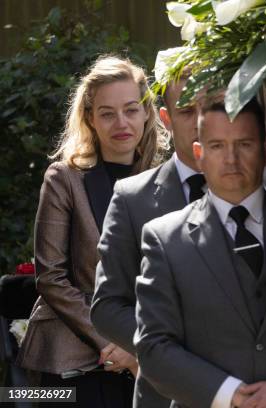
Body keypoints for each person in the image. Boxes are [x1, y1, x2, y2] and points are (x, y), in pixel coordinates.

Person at [134, 98, 266, 408]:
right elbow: (153, 347)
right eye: (217, 146)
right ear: (200, 154)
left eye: (244, 144)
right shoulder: (164, 239)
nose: (231, 159)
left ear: (265, 150)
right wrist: (227, 393)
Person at [16, 55, 168, 407]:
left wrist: (140, 348)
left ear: (147, 113)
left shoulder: (166, 182)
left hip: (148, 357)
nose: (121, 123)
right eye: (107, 113)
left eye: (131, 109)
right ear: (89, 119)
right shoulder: (64, 179)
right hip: (76, 356)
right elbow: (51, 276)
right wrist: (114, 342)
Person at [91, 47, 201, 408]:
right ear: (166, 118)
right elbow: (107, 305)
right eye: (187, 111)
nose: (201, 122)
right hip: (165, 391)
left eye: (212, 108)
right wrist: (165, 351)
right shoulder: (132, 198)